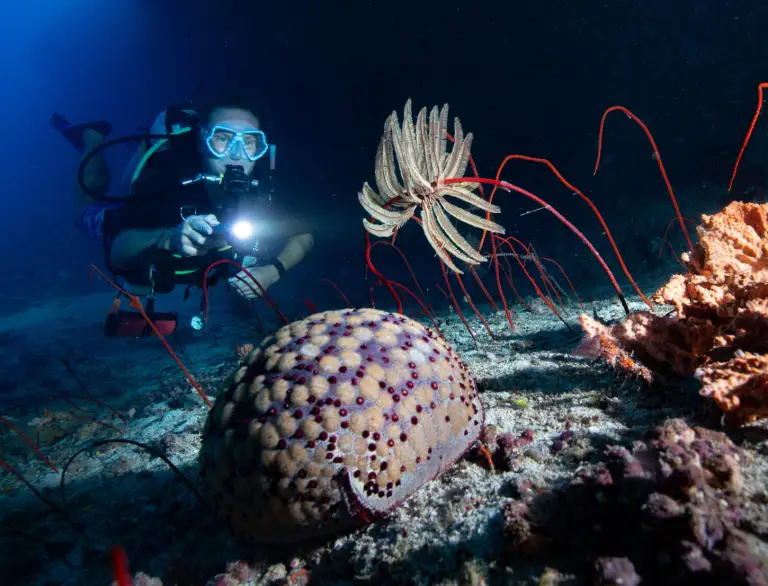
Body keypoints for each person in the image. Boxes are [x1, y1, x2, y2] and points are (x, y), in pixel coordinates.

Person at [54, 98, 314, 304]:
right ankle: (91, 136)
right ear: (202, 141)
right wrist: (168, 237)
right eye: (222, 138)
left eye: (249, 142)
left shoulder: (267, 185)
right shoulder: (168, 178)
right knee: (84, 211)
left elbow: (303, 234)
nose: (238, 154)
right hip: (148, 212)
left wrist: (272, 272)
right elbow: (118, 251)